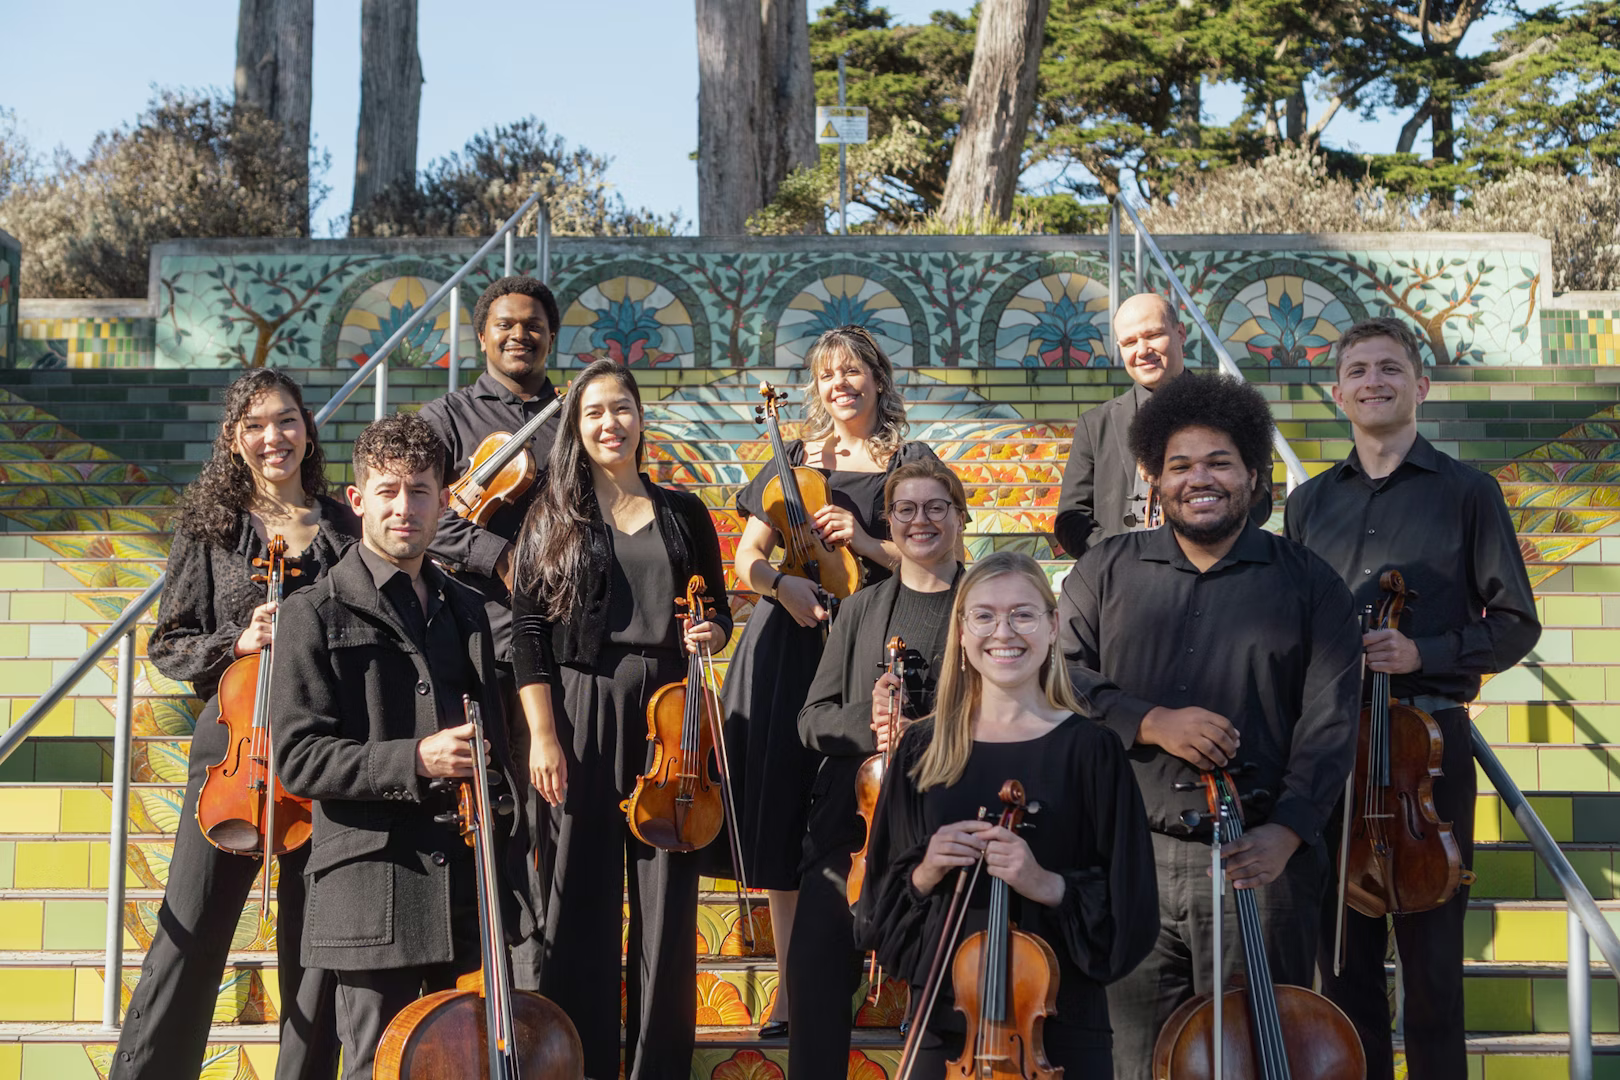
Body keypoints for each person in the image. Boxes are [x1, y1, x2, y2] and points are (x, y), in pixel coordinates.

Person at [1057, 371, 1364, 1080]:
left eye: (1219, 462)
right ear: (1155, 478)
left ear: (1253, 475)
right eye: (1180, 465)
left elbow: (1330, 723)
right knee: (1132, 1062)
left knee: (1253, 1060)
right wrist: (1148, 720)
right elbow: (1059, 676)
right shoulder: (1104, 570)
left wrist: (1288, 832)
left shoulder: (1309, 582)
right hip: (1129, 862)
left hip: (1260, 863)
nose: (1200, 479)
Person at [1286, 317, 1540, 1080]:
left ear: (1420, 386)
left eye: (1390, 368)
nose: (1374, 381)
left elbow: (1517, 623)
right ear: (1338, 394)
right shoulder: (1308, 505)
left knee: (1432, 977)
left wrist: (1423, 652)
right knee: (1342, 969)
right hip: (1333, 750)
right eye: (1358, 371)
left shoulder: (1469, 493)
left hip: (1427, 752)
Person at [271, 414, 531, 1080]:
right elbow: (297, 759)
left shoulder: (468, 609)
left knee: (467, 1068)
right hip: (370, 889)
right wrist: (416, 759)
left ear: (443, 501)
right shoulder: (311, 612)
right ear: (357, 500)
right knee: (373, 1068)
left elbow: (496, 748)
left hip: (465, 885)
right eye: (387, 492)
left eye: (419, 491)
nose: (404, 508)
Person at [111, 369, 348, 1080]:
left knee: (316, 944)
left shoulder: (345, 527)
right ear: (234, 440)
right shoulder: (213, 528)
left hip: (322, 747)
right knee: (189, 931)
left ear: (307, 428)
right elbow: (169, 644)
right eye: (255, 425)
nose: (273, 437)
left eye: (286, 420)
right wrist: (238, 640)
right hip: (234, 750)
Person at [508, 359, 733, 1080]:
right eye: (595, 411)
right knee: (580, 894)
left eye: (622, 408)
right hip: (583, 707)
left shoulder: (685, 511)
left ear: (641, 417)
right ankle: (578, 1061)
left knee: (667, 894)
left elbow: (717, 611)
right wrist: (543, 735)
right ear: (576, 427)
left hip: (671, 712)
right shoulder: (553, 516)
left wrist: (712, 633)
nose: (611, 423)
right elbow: (527, 633)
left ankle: (657, 1066)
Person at [719, 324, 942, 1038]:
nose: (839, 385)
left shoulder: (910, 461)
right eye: (826, 374)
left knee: (870, 810)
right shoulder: (792, 457)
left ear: (877, 378)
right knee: (784, 813)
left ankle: (895, 976)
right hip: (789, 639)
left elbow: (935, 555)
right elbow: (747, 560)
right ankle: (792, 990)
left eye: (852, 371)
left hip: (872, 642)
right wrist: (781, 585)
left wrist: (865, 538)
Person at [855, 551, 1158, 1077]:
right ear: (962, 633)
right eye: (985, 615)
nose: (1004, 632)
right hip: (946, 1026)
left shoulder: (1094, 750)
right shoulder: (920, 750)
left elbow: (1132, 913)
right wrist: (927, 869)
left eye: (1022, 614)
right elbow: (875, 914)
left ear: (1052, 626)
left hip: (1060, 1030)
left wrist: (1046, 884)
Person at [790, 458, 969, 1078]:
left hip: (948, 827)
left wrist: (928, 730)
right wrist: (872, 721)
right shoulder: (861, 609)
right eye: (906, 510)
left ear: (960, 516)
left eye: (936, 507)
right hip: (853, 830)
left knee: (945, 1002)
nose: (921, 521)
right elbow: (811, 719)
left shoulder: (983, 606)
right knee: (814, 975)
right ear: (888, 522)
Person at [418, 274, 564, 983]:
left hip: (564, 637)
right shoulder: (446, 417)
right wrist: (497, 556)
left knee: (556, 811)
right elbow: (421, 514)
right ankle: (489, 975)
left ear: (550, 337)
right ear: (481, 336)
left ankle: (549, 974)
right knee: (491, 806)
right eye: (505, 324)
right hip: (481, 640)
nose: (519, 335)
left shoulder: (576, 416)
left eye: (533, 324)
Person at [1053, 292, 1271, 556]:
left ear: (1180, 333)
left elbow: (1260, 502)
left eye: (1153, 335)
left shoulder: (1232, 410)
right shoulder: (1095, 424)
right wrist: (1123, 558)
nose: (1142, 350)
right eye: (1130, 342)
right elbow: (1071, 519)